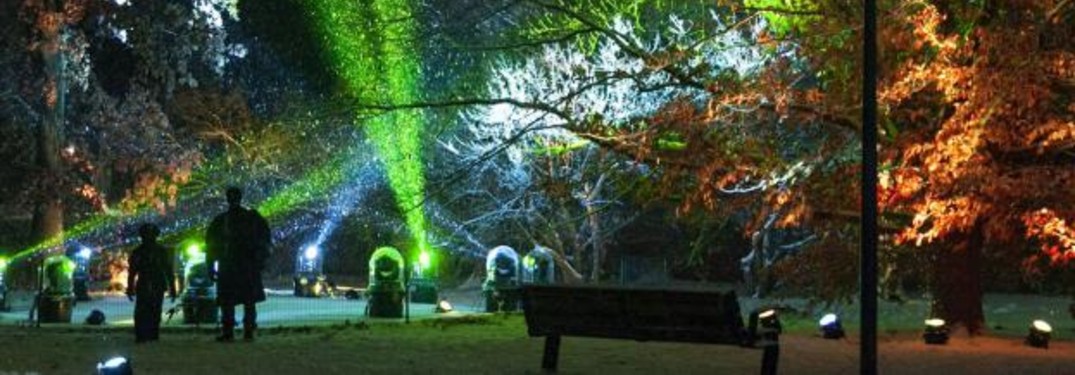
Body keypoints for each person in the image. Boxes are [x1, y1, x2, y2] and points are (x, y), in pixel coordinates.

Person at [206, 187, 271, 342]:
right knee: (245, 300)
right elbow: (265, 240)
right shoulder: (251, 218)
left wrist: (211, 266)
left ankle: (232, 331)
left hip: (234, 265)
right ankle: (246, 331)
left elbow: (211, 246)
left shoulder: (222, 220)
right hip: (243, 266)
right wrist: (260, 260)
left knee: (233, 300)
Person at [127, 223, 178, 343]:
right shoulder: (144, 252)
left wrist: (172, 288)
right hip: (148, 282)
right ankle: (144, 335)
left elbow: (168, 270)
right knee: (145, 310)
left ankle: (149, 334)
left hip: (154, 283)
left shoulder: (149, 251)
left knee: (152, 309)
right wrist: (130, 287)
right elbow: (133, 271)